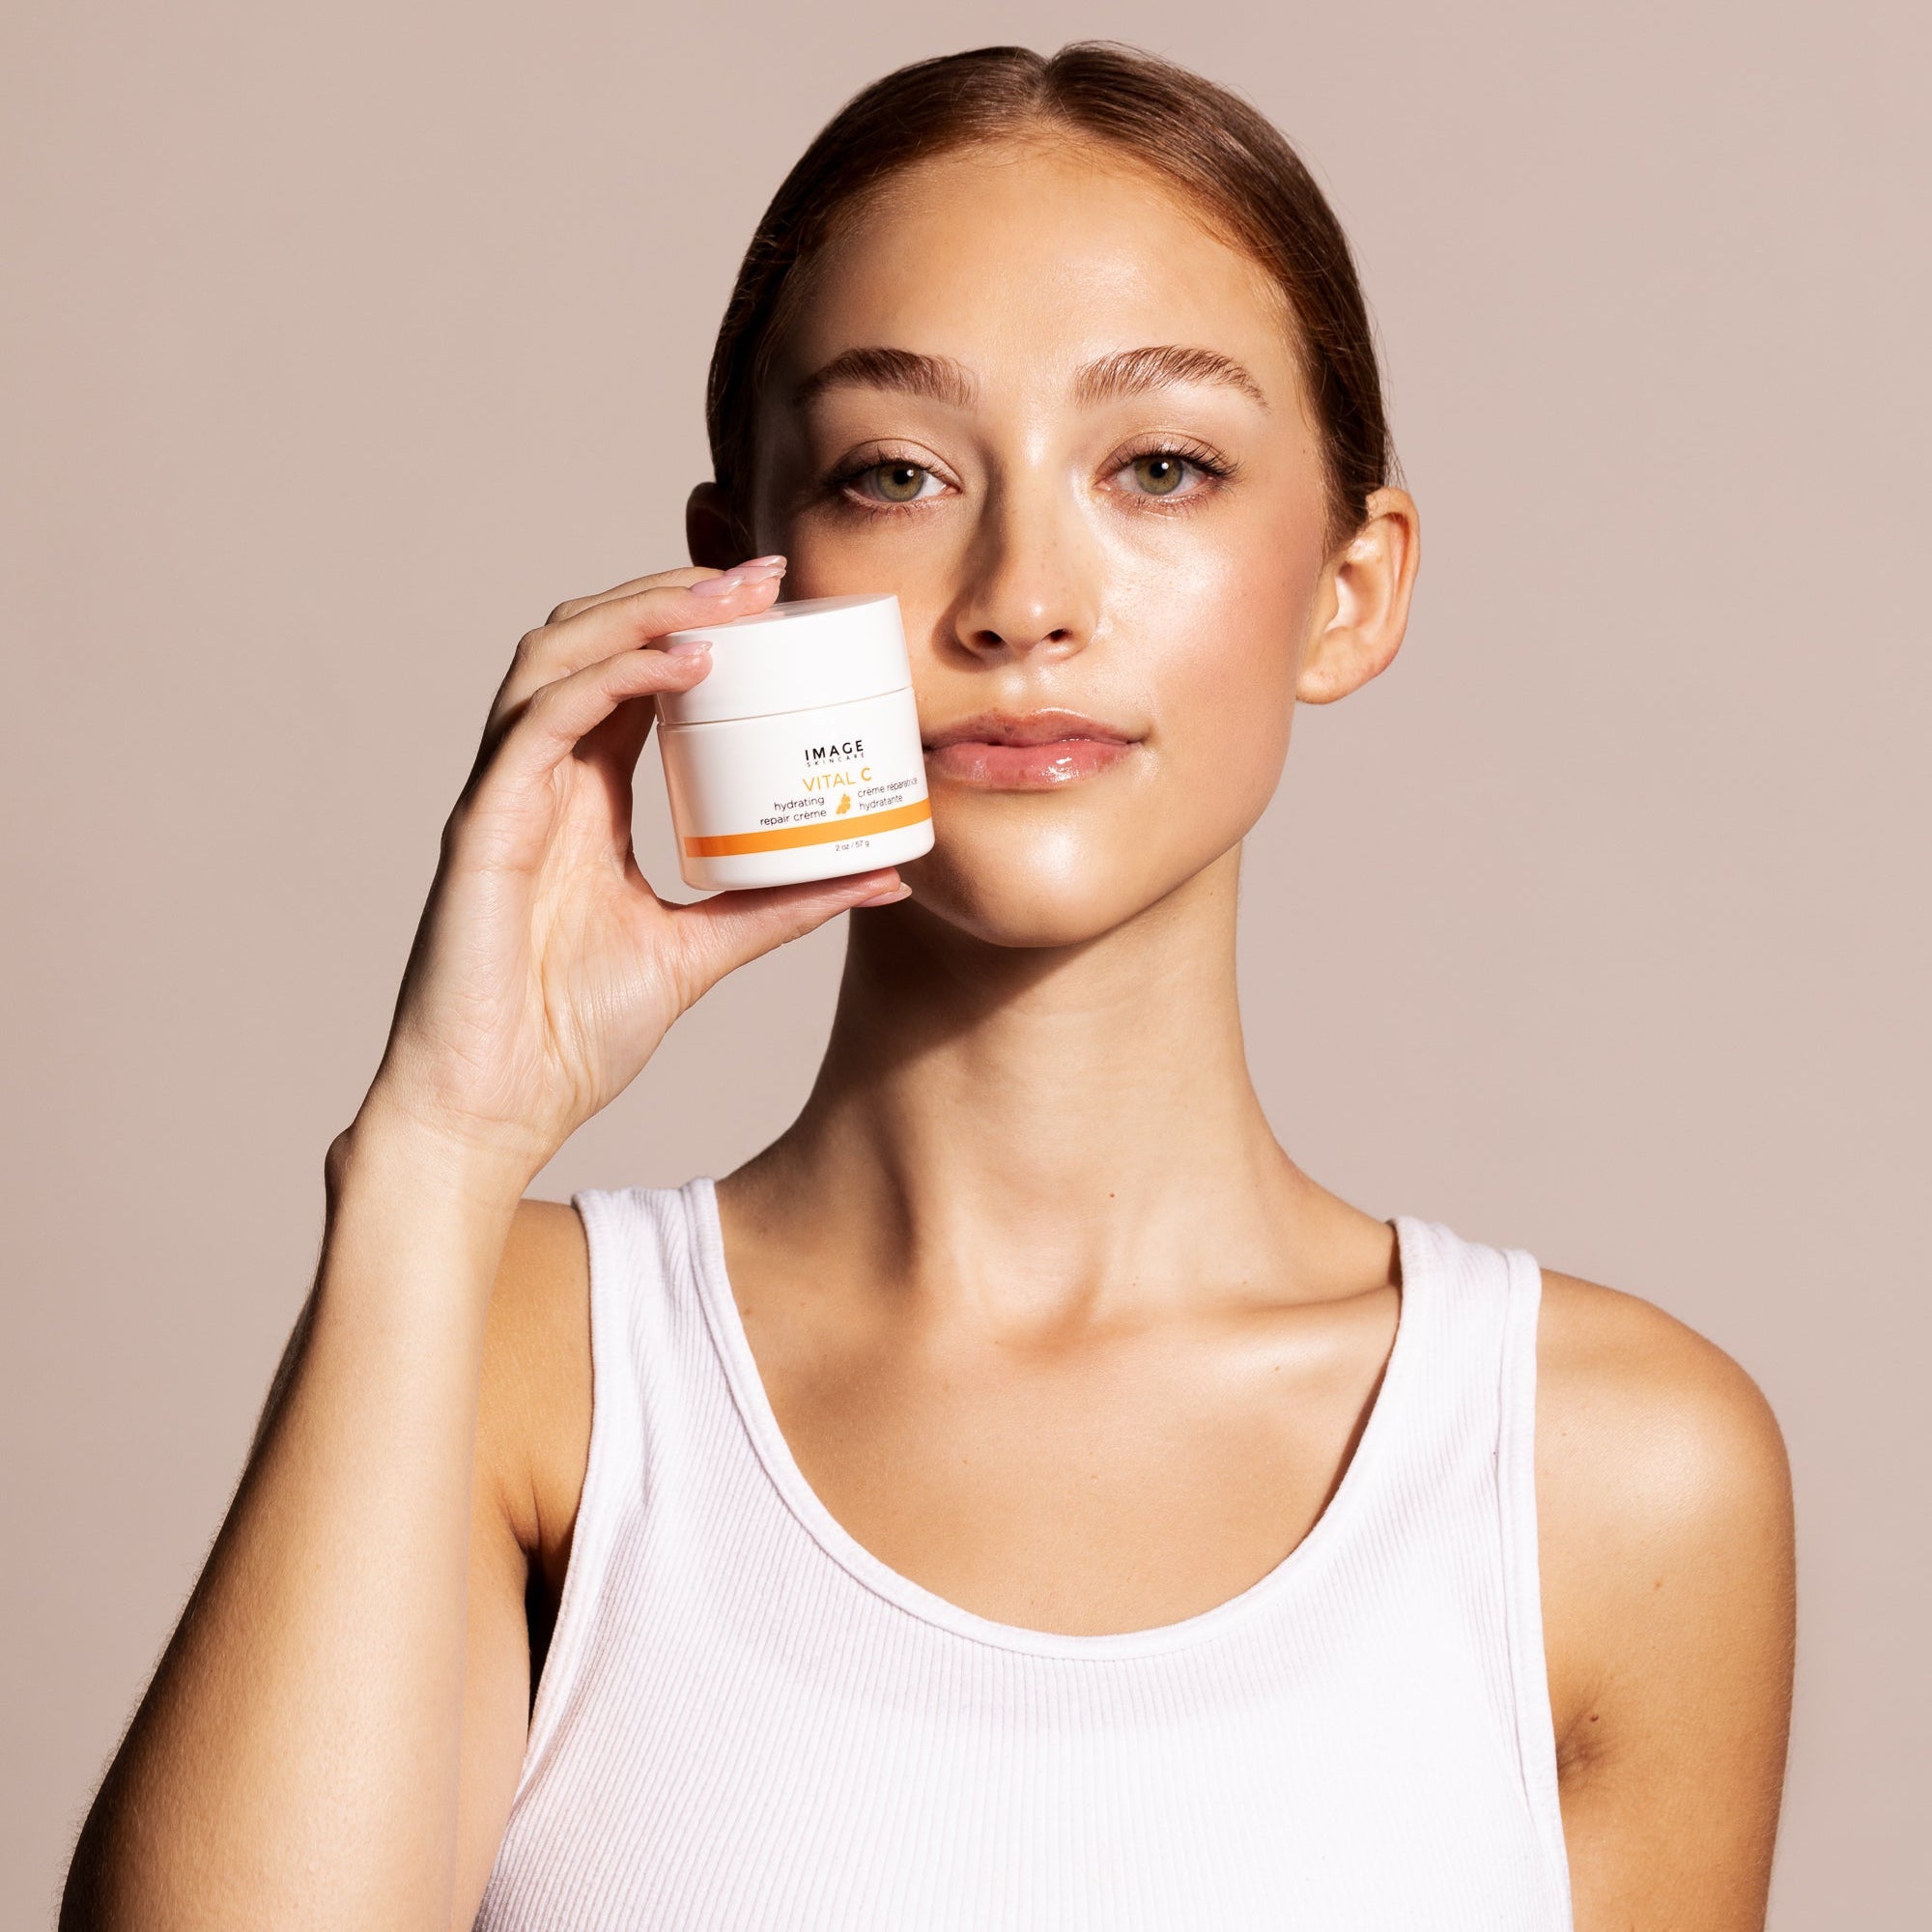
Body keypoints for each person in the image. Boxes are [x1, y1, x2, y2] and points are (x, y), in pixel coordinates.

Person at [61, 42, 1795, 1932]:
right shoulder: (517, 1365)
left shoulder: (1608, 1469)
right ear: (744, 574)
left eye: (1160, 465)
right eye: (895, 473)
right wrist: (434, 1143)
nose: (1021, 594)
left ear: (1348, 589)